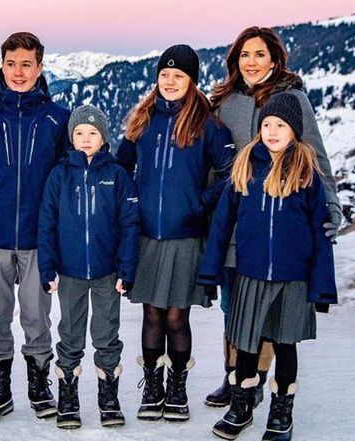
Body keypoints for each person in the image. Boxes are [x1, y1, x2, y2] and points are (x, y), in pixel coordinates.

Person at [204, 26, 343, 409]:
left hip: (279, 222)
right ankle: (234, 376)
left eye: (259, 54)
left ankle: (256, 379)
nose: (251, 62)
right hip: (235, 219)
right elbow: (212, 161)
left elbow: (316, 156)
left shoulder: (291, 99)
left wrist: (331, 206)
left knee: (267, 312)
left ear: (274, 58)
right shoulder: (225, 100)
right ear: (236, 60)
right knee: (234, 306)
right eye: (244, 55)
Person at [0, 32, 71, 426]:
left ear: (40, 68)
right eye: (10, 64)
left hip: (41, 239)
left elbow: (68, 184)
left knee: (38, 317)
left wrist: (62, 234)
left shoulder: (58, 118)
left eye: (26, 64)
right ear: (1, 65)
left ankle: (39, 388)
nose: (18, 72)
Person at [116, 44, 235, 421]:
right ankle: (152, 387)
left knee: (176, 318)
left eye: (178, 76)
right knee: (152, 315)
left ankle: (177, 388)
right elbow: (120, 169)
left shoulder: (208, 125)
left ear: (191, 81)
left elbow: (234, 172)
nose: (170, 81)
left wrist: (201, 202)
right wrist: (133, 201)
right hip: (147, 236)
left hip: (186, 237)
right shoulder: (142, 119)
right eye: (164, 75)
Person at [38, 105, 140, 429]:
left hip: (107, 272)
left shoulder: (116, 174)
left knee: (107, 334)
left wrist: (127, 269)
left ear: (103, 138)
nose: (85, 139)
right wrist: (47, 267)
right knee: (69, 334)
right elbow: (46, 223)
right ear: (71, 137)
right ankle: (68, 396)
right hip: (69, 273)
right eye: (79, 133)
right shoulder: (60, 174)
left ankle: (108, 397)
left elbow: (130, 223)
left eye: (93, 133)